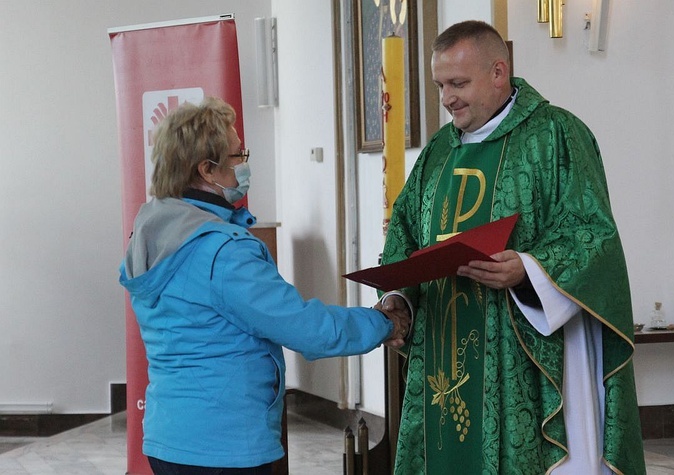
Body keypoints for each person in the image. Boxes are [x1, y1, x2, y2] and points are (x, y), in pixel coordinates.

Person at [380, 20, 646, 474]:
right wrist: (398, 300)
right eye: (440, 84)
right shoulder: (437, 153)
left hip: (528, 350)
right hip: (447, 347)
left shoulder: (556, 135)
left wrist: (528, 269)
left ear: (499, 72)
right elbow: (404, 234)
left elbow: (592, 234)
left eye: (459, 83)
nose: (447, 98)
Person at [119, 97, 411, 475]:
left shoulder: (152, 233)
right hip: (223, 445)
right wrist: (384, 323)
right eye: (238, 155)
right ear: (208, 170)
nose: (244, 164)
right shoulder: (222, 251)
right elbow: (305, 328)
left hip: (169, 437)